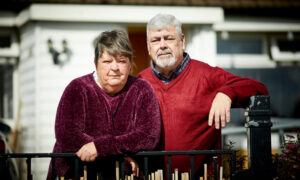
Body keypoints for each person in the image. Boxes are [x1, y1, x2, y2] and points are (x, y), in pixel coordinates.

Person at [138, 13, 269, 176]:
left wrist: (227, 92)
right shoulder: (139, 83)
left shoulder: (206, 75)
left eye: (169, 38)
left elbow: (259, 88)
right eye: (156, 40)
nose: (162, 45)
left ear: (182, 41)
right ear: (148, 46)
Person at [47, 30, 161, 179]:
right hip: (76, 174)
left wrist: (101, 148)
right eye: (107, 61)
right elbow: (67, 135)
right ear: (96, 63)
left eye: (121, 61)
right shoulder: (77, 88)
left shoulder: (142, 89)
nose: (114, 67)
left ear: (130, 65)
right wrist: (117, 157)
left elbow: (149, 136)